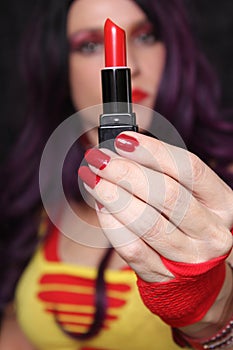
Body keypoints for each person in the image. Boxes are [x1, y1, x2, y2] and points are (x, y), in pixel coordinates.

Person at [0, 0, 233, 349]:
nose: (129, 64)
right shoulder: (44, 196)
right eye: (90, 45)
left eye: (145, 36)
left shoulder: (221, 192)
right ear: (60, 67)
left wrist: (214, 319)